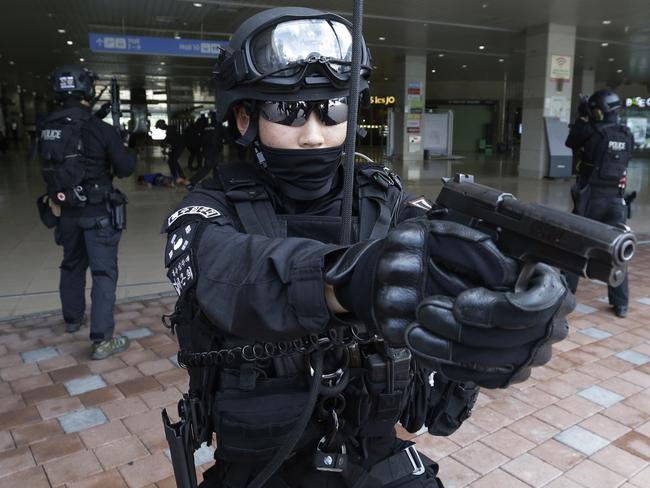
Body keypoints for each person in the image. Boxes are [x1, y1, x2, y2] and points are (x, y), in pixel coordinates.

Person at [162, 8, 573, 488]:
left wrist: (506, 288)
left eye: (332, 109)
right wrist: (348, 280)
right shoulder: (210, 204)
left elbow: (436, 246)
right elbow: (218, 268)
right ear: (244, 116)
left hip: (371, 451)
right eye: (288, 111)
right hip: (261, 464)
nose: (314, 133)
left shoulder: (382, 195)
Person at [39, 64, 136, 359]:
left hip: (65, 211)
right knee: (104, 273)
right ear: (87, 91)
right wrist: (125, 145)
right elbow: (125, 168)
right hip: (97, 213)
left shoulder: (47, 127)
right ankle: (102, 339)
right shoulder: (100, 128)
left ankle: (72, 319)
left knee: (71, 264)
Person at [565, 89, 634, 318]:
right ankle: (621, 304)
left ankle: (564, 295)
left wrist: (582, 116)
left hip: (590, 199)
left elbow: (571, 140)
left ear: (599, 110)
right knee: (616, 252)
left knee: (574, 246)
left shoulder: (591, 132)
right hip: (617, 200)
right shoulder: (626, 134)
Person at [188, 112, 225, 186]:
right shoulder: (220, 126)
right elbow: (226, 137)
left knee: (216, 166)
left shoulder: (206, 126)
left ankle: (216, 181)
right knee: (208, 167)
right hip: (215, 149)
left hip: (206, 149)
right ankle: (192, 181)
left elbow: (201, 138)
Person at [156, 119, 187, 184]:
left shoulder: (170, 129)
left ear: (162, 125)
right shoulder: (169, 129)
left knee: (173, 160)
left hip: (179, 145)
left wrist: (163, 143)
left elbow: (167, 138)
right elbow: (168, 140)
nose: (160, 128)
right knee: (171, 160)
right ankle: (175, 175)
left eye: (159, 127)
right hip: (175, 146)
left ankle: (180, 175)